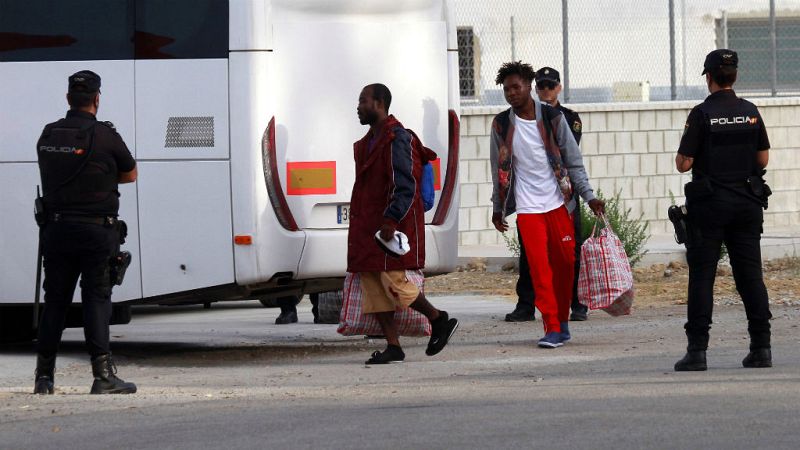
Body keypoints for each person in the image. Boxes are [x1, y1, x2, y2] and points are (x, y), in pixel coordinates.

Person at [33, 70, 138, 394]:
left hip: (56, 230)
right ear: (97, 99)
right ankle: (102, 376)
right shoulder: (105, 135)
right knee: (96, 299)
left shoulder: (48, 134)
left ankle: (44, 378)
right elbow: (130, 174)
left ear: (68, 98)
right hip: (96, 232)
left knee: (55, 302)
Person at [489, 62, 604, 349]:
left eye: (516, 87)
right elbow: (498, 170)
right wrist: (497, 207)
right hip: (528, 208)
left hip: (559, 203)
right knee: (539, 269)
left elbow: (573, 162)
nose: (511, 93)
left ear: (529, 86)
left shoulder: (553, 118)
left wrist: (589, 197)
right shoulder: (501, 124)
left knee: (565, 264)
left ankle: (562, 322)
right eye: (506, 89)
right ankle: (551, 325)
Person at [673, 49, 773, 371]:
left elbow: (683, 164)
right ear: (735, 75)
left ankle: (697, 352)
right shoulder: (750, 111)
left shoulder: (701, 113)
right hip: (747, 205)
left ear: (709, 78)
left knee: (702, 277)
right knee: (751, 276)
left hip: (710, 207)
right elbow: (762, 159)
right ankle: (761, 348)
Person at [349, 83, 459, 364]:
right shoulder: (367, 142)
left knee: (395, 282)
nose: (358, 107)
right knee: (374, 288)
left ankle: (438, 319)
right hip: (368, 228)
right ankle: (393, 346)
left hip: (389, 225)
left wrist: (391, 219)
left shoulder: (398, 138)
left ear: (379, 103)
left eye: (363, 101)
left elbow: (405, 183)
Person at [504, 66, 589, 323]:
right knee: (531, 254)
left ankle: (576, 303)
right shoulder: (509, 121)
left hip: (562, 195)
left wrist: (587, 194)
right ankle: (527, 304)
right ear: (535, 88)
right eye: (542, 86)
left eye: (550, 86)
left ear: (559, 88)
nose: (546, 90)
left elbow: (569, 153)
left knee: (569, 253)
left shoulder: (564, 118)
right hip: (530, 201)